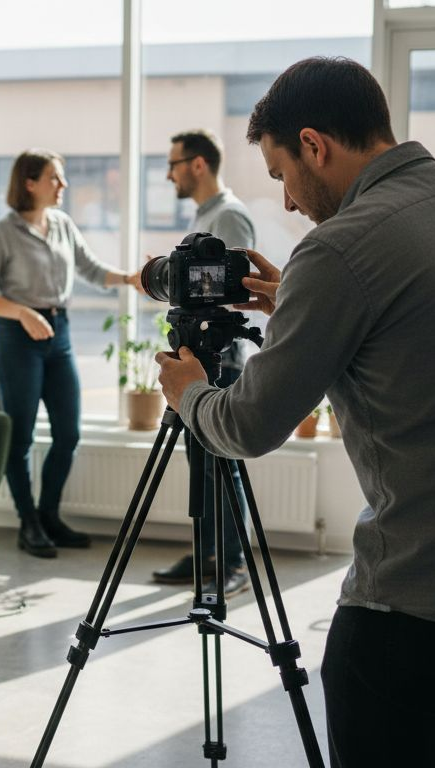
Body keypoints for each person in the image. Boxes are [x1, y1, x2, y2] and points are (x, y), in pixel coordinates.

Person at [156, 58, 435, 767]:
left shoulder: (338, 250)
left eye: (282, 176)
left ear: (315, 145)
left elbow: (249, 426)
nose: (290, 203)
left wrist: (189, 393)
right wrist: (298, 301)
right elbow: (430, 318)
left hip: (428, 603)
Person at [0, 149, 143, 559]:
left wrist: (130, 279)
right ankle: (27, 521)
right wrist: (23, 312)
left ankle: (49, 516)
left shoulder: (63, 224)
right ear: (29, 182)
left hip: (59, 333)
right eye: (55, 178)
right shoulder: (1, 233)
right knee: (22, 435)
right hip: (17, 337)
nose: (63, 185)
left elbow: (88, 267)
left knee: (69, 433)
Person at [150, 129, 257, 597]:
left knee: (222, 462)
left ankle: (232, 564)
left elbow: (229, 289)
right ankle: (207, 553)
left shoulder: (228, 216)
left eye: (173, 164)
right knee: (201, 463)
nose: (169, 173)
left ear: (197, 164)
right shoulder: (207, 215)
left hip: (223, 360)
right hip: (203, 355)